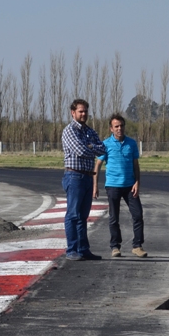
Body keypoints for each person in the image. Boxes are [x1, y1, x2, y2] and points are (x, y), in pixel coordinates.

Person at [94, 114, 147, 258]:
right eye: (116, 126)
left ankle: (137, 246)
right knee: (114, 218)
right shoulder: (105, 144)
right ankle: (115, 247)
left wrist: (137, 182)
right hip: (113, 186)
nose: (119, 128)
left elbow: (136, 164)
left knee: (137, 215)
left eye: (121, 125)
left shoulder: (131, 143)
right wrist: (95, 186)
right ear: (111, 128)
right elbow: (98, 165)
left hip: (130, 186)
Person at [61, 98, 107, 260]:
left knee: (83, 216)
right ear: (73, 112)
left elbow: (103, 148)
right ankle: (71, 250)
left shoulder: (89, 131)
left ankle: (83, 249)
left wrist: (91, 147)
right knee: (73, 215)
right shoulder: (70, 131)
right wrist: (91, 148)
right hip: (74, 176)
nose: (84, 114)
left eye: (85, 111)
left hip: (88, 177)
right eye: (80, 111)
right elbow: (80, 150)